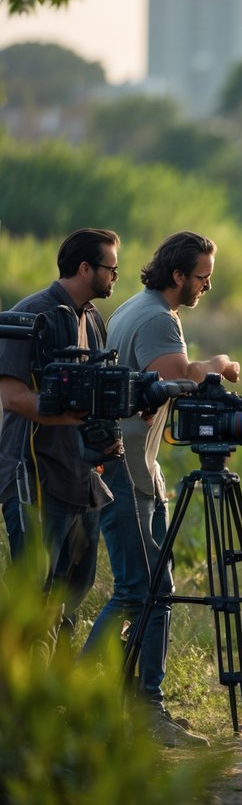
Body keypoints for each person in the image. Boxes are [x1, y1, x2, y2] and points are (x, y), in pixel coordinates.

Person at [81, 230, 239, 746]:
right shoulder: (156, 318)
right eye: (202, 277)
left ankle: (143, 706)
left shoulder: (138, 307)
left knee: (154, 589)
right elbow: (180, 379)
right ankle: (85, 700)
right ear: (178, 275)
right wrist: (219, 365)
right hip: (123, 469)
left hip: (138, 468)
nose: (206, 286)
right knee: (139, 590)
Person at [0, 228, 120, 649]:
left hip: (81, 476)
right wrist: (70, 415)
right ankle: (18, 686)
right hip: (35, 475)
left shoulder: (92, 318)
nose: (115, 277)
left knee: (72, 592)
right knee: (34, 594)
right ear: (85, 268)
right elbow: (13, 397)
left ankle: (56, 684)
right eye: (110, 269)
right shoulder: (31, 315)